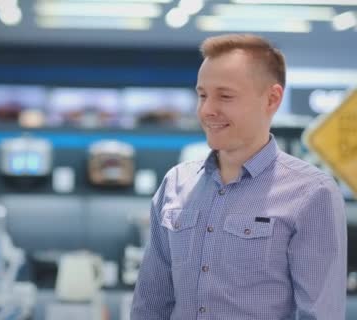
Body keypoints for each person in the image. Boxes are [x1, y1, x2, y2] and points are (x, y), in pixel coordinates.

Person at [131, 34, 347, 319]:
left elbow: (319, 315)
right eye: (202, 95)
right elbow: (150, 303)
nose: (207, 110)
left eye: (225, 96)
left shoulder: (311, 193)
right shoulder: (176, 183)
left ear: (272, 99)